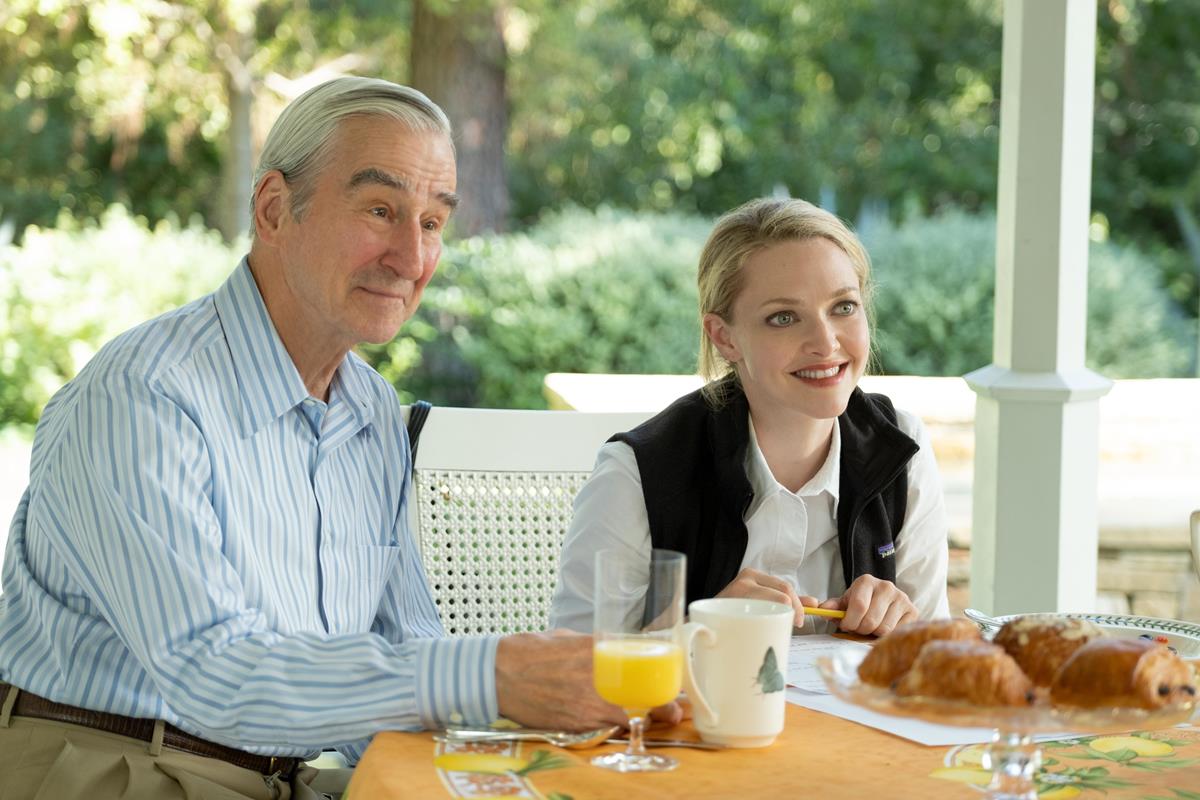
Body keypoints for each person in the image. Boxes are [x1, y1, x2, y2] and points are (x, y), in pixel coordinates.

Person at [0, 77, 653, 800]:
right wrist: (495, 674)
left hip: (288, 778)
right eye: (381, 210)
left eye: (433, 223)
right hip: (114, 769)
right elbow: (212, 674)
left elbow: (407, 646)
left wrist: (569, 727)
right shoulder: (144, 397)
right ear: (276, 209)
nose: (412, 258)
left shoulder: (371, 408)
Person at [551, 197, 950, 637]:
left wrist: (905, 630)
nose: (825, 342)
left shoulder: (903, 446)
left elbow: (934, 656)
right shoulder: (637, 474)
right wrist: (703, 631)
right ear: (725, 338)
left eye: (843, 307)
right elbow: (570, 669)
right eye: (783, 317)